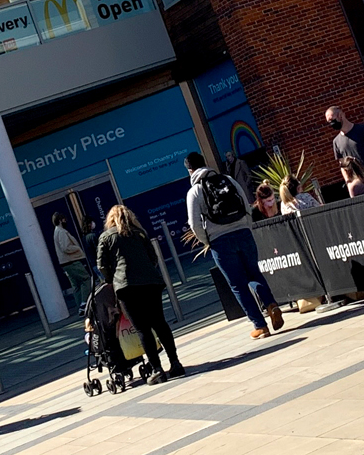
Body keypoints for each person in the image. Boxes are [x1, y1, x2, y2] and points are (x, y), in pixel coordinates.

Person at [185, 151, 285, 338]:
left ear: (190, 171)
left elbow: (194, 224)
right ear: (205, 163)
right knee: (254, 273)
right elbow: (247, 207)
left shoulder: (194, 192)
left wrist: (208, 240)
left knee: (238, 285)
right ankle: (271, 304)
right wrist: (247, 228)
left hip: (220, 241)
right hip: (243, 233)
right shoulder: (228, 180)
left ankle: (260, 325)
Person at [96, 204, 183, 382]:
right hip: (151, 282)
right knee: (160, 323)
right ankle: (175, 363)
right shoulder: (140, 232)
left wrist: (113, 278)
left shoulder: (106, 237)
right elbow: (153, 257)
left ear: (110, 219)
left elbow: (101, 265)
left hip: (126, 287)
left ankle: (157, 369)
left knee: (142, 328)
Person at [50, 216, 92, 315]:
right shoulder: (61, 232)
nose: (66, 220)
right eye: (64, 219)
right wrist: (77, 248)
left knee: (76, 285)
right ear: (60, 220)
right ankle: (84, 303)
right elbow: (66, 247)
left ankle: (81, 307)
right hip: (72, 261)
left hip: (65, 263)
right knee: (86, 279)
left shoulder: (56, 232)